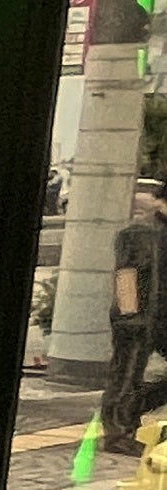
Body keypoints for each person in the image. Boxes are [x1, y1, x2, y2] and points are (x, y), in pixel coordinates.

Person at [105, 179, 164, 452]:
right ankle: (118, 432)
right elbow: (126, 274)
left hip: (160, 319)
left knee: (133, 377)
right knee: (126, 374)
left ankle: (133, 411)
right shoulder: (138, 233)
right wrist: (130, 315)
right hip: (138, 319)